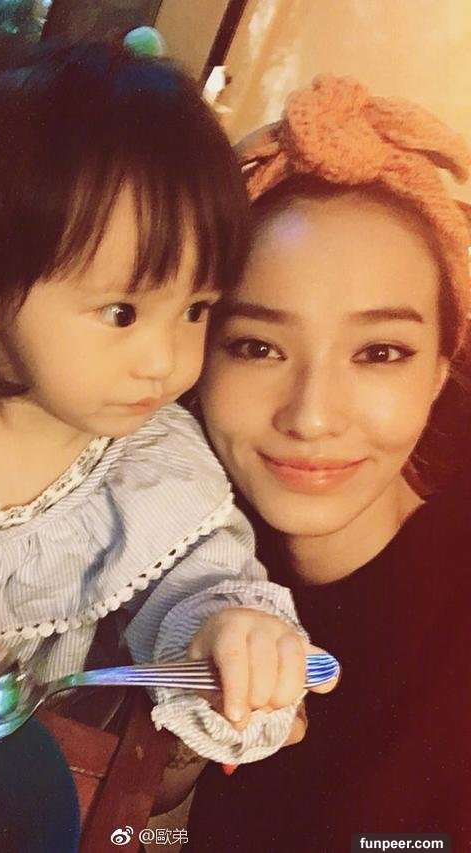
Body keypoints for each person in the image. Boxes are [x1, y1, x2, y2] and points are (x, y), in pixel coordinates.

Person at [0, 44, 336, 851]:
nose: (165, 360)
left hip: (35, 773)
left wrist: (229, 633)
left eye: (196, 308)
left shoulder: (159, 468)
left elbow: (202, 581)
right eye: (122, 312)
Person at [186, 74, 471, 851]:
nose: (310, 416)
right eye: (257, 346)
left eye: (379, 352)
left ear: (439, 370)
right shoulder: (168, 547)